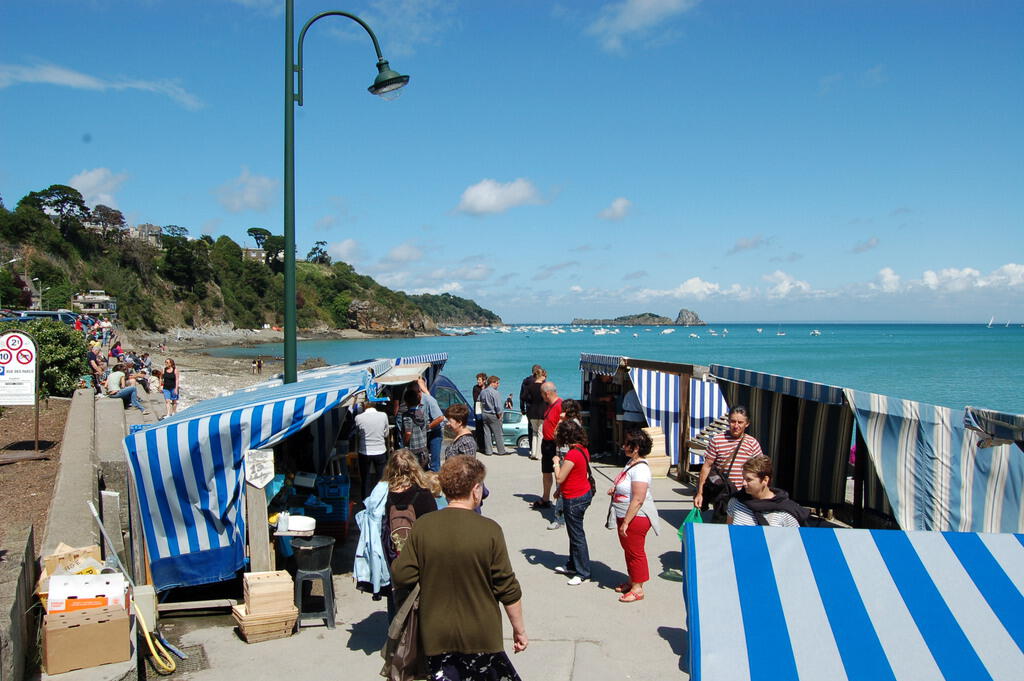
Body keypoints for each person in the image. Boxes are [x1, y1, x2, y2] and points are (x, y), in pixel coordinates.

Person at [391, 456, 528, 680]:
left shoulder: (423, 527)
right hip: (482, 636)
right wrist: (519, 629)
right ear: (475, 489)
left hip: (436, 635)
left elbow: (401, 574)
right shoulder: (490, 530)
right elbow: (506, 586)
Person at [609, 428, 661, 603]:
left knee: (636, 552)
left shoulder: (641, 469)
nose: (623, 446)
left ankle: (638, 588)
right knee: (629, 550)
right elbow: (626, 486)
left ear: (636, 447)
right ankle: (633, 580)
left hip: (635, 517)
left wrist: (626, 523)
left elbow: (638, 499)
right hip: (625, 514)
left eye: (627, 444)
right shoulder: (631, 463)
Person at [693, 405, 763, 515]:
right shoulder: (717, 440)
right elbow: (707, 466)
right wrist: (700, 493)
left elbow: (761, 470)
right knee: (722, 528)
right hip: (723, 495)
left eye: (740, 422)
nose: (736, 426)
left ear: (747, 424)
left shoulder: (752, 443)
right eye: (733, 421)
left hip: (745, 494)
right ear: (728, 421)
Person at [551, 420, 594, 585]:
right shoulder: (581, 449)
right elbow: (573, 475)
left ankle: (583, 571)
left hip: (575, 499)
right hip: (580, 493)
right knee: (573, 532)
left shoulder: (572, 454)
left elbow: (560, 476)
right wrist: (559, 491)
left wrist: (556, 463)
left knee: (577, 535)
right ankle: (573, 564)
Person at [727, 456, 809, 527]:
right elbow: (729, 536)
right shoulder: (736, 502)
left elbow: (794, 541)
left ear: (765, 480)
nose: (744, 483)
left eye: (749, 480)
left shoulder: (786, 511)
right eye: (744, 478)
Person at [531, 381, 562, 509]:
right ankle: (545, 498)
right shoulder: (548, 405)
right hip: (547, 442)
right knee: (546, 471)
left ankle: (560, 500)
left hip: (555, 444)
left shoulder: (560, 405)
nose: (542, 396)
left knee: (557, 473)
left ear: (547, 393)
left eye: (542, 394)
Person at [355, 401, 391, 502]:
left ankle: (365, 501)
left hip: (365, 452)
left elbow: (358, 434)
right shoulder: (383, 415)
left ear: (364, 405)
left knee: (365, 479)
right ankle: (380, 501)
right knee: (381, 479)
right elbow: (386, 433)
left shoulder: (358, 417)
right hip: (380, 450)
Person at [417, 376, 445, 472]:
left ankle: (435, 481)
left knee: (435, 461)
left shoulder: (429, 400)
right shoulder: (416, 400)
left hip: (434, 432)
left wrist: (427, 427)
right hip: (423, 433)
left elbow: (440, 417)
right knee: (422, 459)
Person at [399, 385, 429, 468]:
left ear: (406, 402)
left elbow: (408, 433)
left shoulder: (407, 416)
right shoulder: (422, 413)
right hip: (423, 448)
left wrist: (404, 444)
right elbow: (427, 427)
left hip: (412, 449)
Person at [479, 375, 507, 456]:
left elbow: (479, 401)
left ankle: (488, 451)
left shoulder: (483, 391)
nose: (498, 385)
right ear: (492, 383)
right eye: (497, 383)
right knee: (498, 433)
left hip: (484, 413)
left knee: (487, 433)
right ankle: (501, 451)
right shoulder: (495, 393)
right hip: (493, 414)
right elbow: (498, 406)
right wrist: (499, 415)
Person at [525, 367, 546, 461]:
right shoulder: (544, 387)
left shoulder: (530, 386)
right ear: (541, 376)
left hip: (532, 411)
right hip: (542, 410)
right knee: (540, 433)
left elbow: (524, 397)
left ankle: (533, 452)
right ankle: (539, 454)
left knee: (534, 432)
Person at [472, 372, 488, 451]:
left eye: (479, 380)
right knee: (479, 428)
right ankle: (480, 446)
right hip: (478, 409)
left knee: (486, 428)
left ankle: (486, 445)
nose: (478, 381)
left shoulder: (488, 387)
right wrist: (482, 391)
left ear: (484, 380)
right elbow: (476, 400)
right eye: (477, 380)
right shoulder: (475, 388)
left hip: (486, 409)